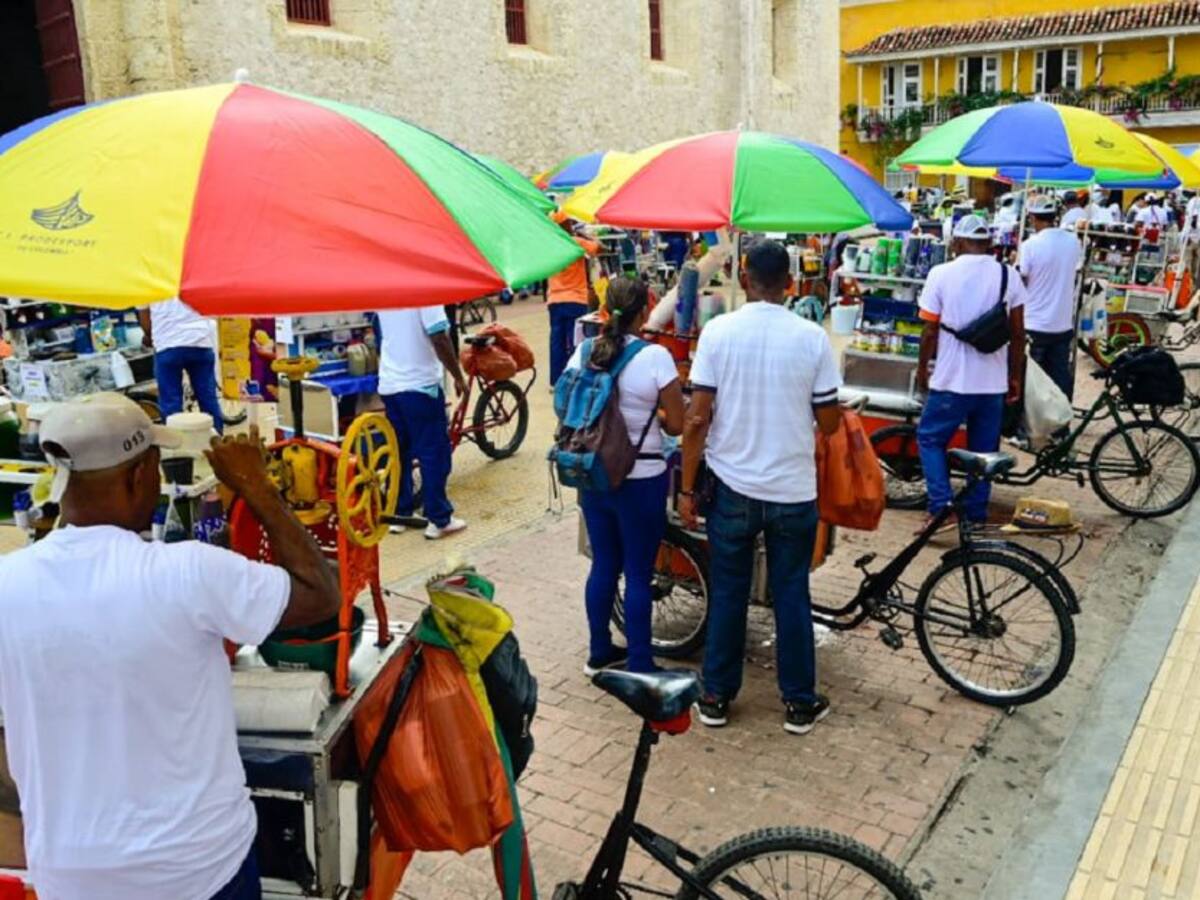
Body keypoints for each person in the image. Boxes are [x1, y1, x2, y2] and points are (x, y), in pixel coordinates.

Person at [0, 393, 340, 900]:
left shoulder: (7, 583)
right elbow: (320, 594)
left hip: (71, 877)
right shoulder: (187, 572)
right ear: (141, 475)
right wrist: (256, 487)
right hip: (198, 871)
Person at [678, 241, 842, 735]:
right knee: (791, 592)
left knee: (729, 591)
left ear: (745, 279)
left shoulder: (718, 332)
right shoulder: (812, 338)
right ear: (790, 284)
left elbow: (696, 420)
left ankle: (715, 696)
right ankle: (799, 702)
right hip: (793, 490)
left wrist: (687, 489)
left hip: (732, 487)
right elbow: (830, 423)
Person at [565, 277, 684, 675]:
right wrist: (655, 415)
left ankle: (599, 652)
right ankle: (640, 662)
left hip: (592, 472)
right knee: (637, 572)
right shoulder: (655, 357)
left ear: (604, 309)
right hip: (641, 477)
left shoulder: (584, 351)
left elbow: (567, 406)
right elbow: (677, 425)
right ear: (645, 311)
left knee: (603, 564)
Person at [916, 215, 1027, 530]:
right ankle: (976, 515)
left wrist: (923, 368)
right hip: (992, 384)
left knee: (929, 439)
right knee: (984, 452)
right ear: (988, 243)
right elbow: (1018, 333)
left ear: (958, 242)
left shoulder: (941, 273)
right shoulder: (1008, 275)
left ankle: (941, 508)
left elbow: (929, 330)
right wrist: (1014, 376)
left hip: (952, 381)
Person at [376, 306, 468, 540]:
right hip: (420, 386)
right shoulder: (427, 297)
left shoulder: (384, 292)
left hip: (390, 386)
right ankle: (439, 519)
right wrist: (458, 376)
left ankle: (401, 513)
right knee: (434, 453)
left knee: (400, 452)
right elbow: (440, 338)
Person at [1019, 197, 1082, 400]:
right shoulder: (1073, 242)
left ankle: (1030, 419)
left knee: (1030, 384)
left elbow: (1021, 280)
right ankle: (1061, 418)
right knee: (1058, 382)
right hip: (1062, 324)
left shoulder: (1030, 245)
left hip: (1034, 324)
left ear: (1032, 218)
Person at [137, 298, 225, 433]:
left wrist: (149, 338)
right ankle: (217, 438)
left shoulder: (147, 286)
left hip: (167, 347)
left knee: (171, 403)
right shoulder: (191, 282)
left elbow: (147, 325)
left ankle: (175, 443)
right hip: (200, 343)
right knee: (208, 398)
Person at [546, 212, 601, 386]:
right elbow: (599, 248)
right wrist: (585, 236)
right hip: (576, 299)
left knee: (557, 341)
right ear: (565, 224)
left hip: (555, 299)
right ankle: (575, 378)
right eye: (569, 222)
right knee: (576, 341)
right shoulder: (575, 242)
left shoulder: (549, 244)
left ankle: (556, 380)